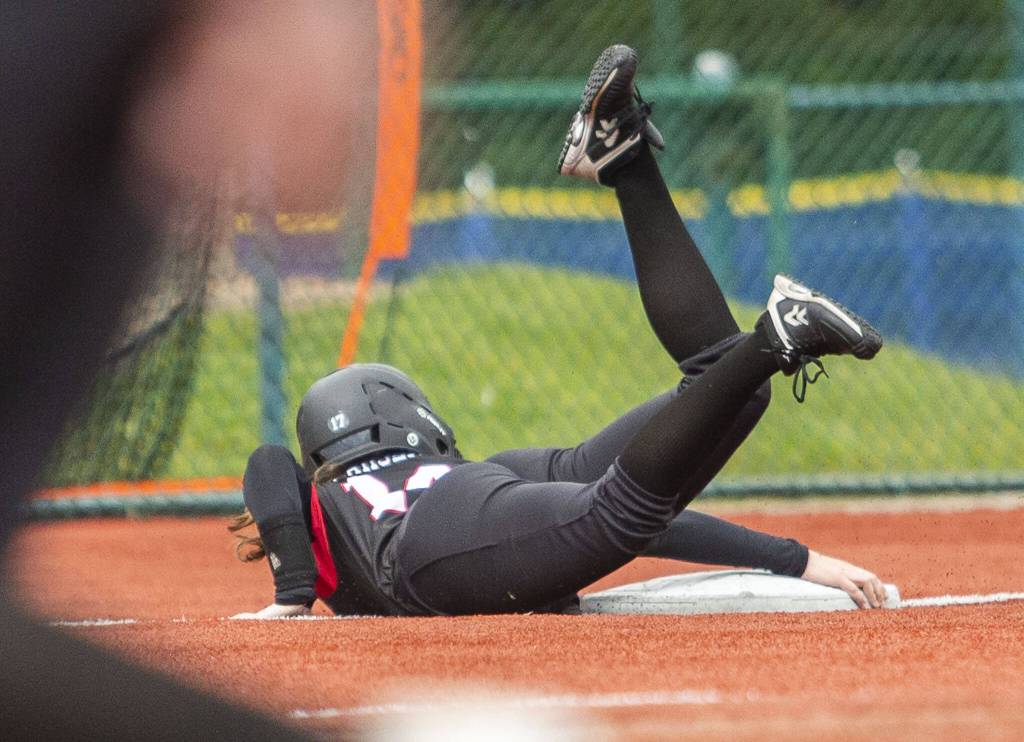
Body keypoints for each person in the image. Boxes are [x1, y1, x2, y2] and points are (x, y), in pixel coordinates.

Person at [230, 45, 886, 621]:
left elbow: (267, 466)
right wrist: (795, 560)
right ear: (417, 421)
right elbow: (647, 523)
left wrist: (292, 590)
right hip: (464, 511)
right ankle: (624, 159)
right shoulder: (480, 474)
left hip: (422, 553)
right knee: (719, 392)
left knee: (623, 504)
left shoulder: (328, 508)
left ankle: (773, 338)